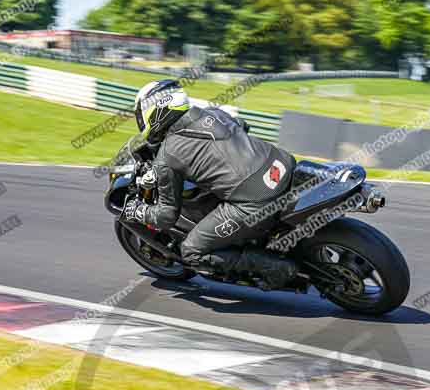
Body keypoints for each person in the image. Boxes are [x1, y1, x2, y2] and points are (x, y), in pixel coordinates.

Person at [122, 79, 298, 290]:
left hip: (255, 201)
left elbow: (166, 216)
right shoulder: (212, 112)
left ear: (154, 111)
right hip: (280, 164)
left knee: (191, 251)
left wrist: (136, 211)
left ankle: (275, 268)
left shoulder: (167, 157)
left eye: (141, 115)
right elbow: (242, 125)